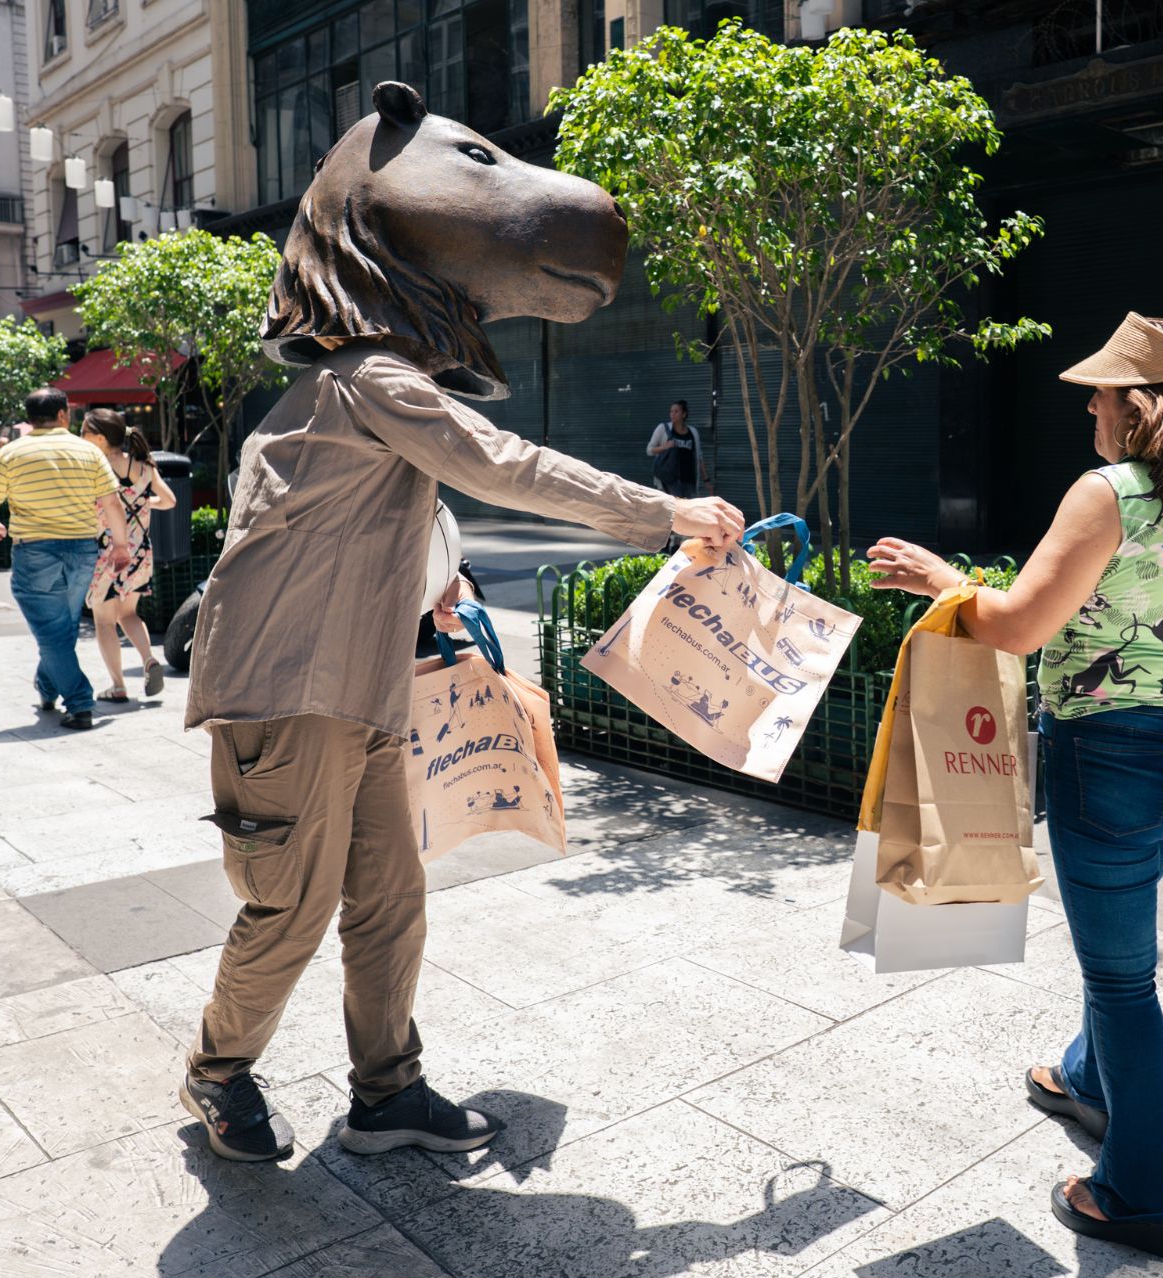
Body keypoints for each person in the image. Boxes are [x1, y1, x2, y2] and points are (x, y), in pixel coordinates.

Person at [177, 80, 746, 1166]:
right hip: (287, 695)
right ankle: (216, 1072)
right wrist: (665, 511)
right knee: (290, 914)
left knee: (389, 900)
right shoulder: (367, 379)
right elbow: (500, 464)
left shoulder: (362, 389)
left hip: (365, 689)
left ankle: (386, 1092)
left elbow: (400, 521)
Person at [866, 313, 1163, 1262]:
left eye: (1100, 389)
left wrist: (940, 578)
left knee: (1124, 982)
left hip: (1111, 767)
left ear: (1141, 404)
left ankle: (1140, 1192)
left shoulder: (1108, 494)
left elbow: (1014, 627)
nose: (1087, 402)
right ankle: (1089, 1082)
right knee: (1121, 945)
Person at [0, 388, 132, 731]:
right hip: (81, 550)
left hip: (35, 551)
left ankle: (79, 704)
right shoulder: (88, 451)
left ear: (30, 418)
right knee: (61, 629)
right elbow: (112, 503)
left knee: (51, 631)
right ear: (64, 415)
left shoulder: (10, 454)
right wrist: (120, 545)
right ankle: (47, 687)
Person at [79, 409, 176, 702]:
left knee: (105, 620)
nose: (80, 436)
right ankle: (149, 659)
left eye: (84, 431)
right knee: (129, 613)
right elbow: (169, 501)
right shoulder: (144, 465)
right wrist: (144, 503)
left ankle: (118, 685)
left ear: (98, 437)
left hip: (108, 553)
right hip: (140, 552)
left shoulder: (95, 466)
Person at [646, 400, 709, 499]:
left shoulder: (693, 432)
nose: (672, 414)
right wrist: (664, 447)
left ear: (684, 414)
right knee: (676, 508)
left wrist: (706, 480)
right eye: (671, 411)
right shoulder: (663, 428)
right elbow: (649, 450)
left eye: (676, 411)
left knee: (688, 508)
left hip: (688, 479)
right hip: (670, 479)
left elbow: (698, 457)